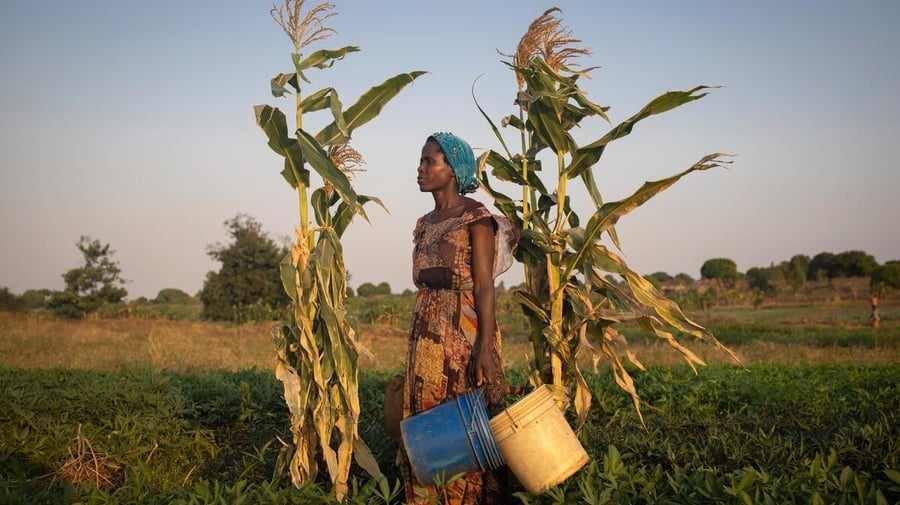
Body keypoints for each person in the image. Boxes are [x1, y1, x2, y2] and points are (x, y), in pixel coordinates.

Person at [398, 132, 518, 504]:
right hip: (427, 329)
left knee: (467, 421)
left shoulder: (476, 217)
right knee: (427, 417)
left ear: (453, 169)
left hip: (464, 330)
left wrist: (484, 348)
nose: (420, 169)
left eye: (429, 162)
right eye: (420, 161)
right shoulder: (425, 220)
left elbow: (484, 285)